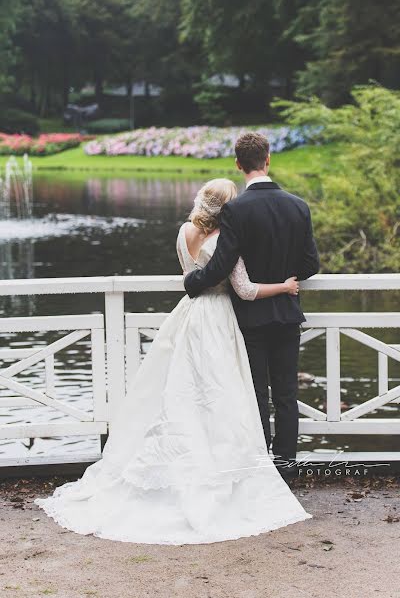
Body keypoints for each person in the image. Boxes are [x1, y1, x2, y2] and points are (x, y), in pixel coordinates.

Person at [35, 177, 312, 545]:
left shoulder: (184, 232)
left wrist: (196, 280)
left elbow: (190, 277)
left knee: (180, 392)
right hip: (219, 320)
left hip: (187, 317)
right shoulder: (227, 240)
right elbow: (243, 289)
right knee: (225, 394)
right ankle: (241, 468)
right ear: (227, 210)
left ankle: (178, 460)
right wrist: (285, 287)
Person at [184, 132, 320, 473]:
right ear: (268, 159)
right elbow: (311, 265)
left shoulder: (236, 209)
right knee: (287, 397)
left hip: (250, 317)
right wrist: (285, 278)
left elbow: (222, 263)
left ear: (238, 164)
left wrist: (193, 282)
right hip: (288, 315)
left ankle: (263, 471)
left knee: (257, 396)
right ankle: (287, 469)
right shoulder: (298, 205)